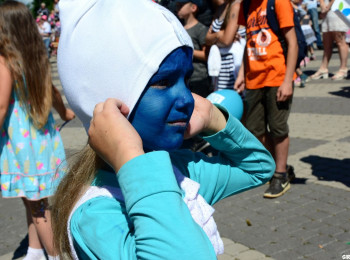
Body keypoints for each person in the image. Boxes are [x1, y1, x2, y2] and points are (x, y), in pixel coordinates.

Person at [51, 0, 275, 259]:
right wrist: (130, 158)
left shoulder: (181, 170)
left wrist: (213, 116)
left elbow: (258, 168)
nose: (186, 98)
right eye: (164, 81)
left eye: (186, 80)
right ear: (107, 102)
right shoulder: (97, 215)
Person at [0, 1, 75, 260]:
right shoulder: (35, 55)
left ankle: (55, 255)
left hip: (20, 142)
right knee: (32, 200)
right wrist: (65, 113)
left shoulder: (5, 60)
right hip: (40, 139)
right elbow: (53, 91)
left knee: (38, 207)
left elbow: (0, 105)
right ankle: (35, 250)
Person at [234, 0, 298, 198]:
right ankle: (281, 166)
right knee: (255, 130)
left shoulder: (277, 2)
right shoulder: (246, 6)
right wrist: (241, 76)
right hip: (254, 80)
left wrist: (288, 80)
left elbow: (292, 43)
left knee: (278, 128)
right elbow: (249, 42)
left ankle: (280, 175)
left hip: (277, 77)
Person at [205, 0, 246, 90]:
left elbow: (226, 41)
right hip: (219, 70)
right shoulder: (220, 9)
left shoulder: (236, 6)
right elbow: (207, 39)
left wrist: (215, 36)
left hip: (233, 70)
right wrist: (219, 34)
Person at [176, 0, 212, 97]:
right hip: (183, 79)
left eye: (181, 5)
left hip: (199, 79)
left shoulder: (201, 29)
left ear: (193, 8)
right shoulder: (179, 28)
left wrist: (187, 50)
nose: (178, 7)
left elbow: (206, 55)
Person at [310, 0, 349, 80]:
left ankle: (343, 68)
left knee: (340, 42)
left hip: (338, 8)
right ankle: (323, 68)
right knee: (326, 43)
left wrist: (327, 7)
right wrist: (322, 4)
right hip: (327, 11)